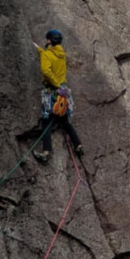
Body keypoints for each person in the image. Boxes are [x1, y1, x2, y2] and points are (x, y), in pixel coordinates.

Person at [33, 30, 83, 163]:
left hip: (52, 91)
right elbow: (49, 55)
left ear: (49, 40)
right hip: (64, 91)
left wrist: (56, 84)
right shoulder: (62, 54)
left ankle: (46, 151)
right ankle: (78, 144)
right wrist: (39, 50)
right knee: (64, 120)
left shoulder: (47, 55)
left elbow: (46, 71)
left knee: (46, 120)